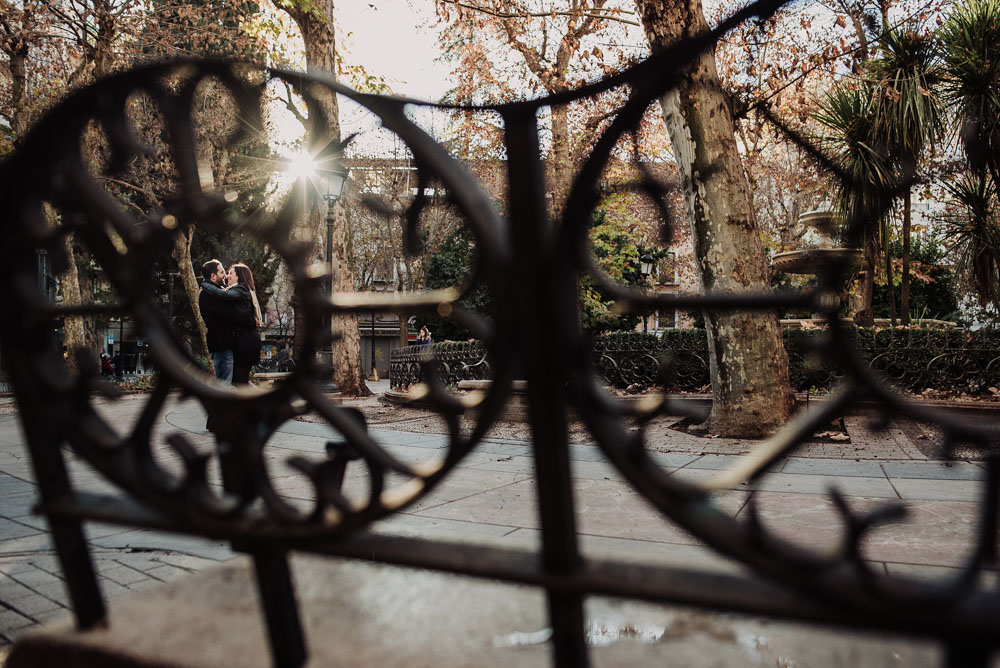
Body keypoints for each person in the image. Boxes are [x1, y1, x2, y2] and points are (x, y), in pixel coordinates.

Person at [198, 259, 254, 390]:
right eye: (222, 272)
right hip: (221, 345)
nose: (225, 275)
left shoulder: (215, 291)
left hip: (225, 345)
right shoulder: (208, 295)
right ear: (213, 276)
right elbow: (232, 314)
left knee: (231, 383)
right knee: (224, 385)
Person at [225, 263, 263, 385]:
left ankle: (264, 402)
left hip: (245, 342)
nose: (227, 276)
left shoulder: (240, 291)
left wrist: (207, 287)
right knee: (240, 380)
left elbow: (243, 318)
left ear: (239, 276)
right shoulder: (245, 291)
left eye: (231, 273)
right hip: (247, 340)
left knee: (239, 381)